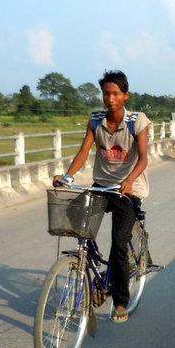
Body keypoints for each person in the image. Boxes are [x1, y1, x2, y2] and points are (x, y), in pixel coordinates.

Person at [53, 70, 150, 323]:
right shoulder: (96, 120)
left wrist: (129, 181)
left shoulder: (136, 121)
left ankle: (120, 301)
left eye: (116, 93)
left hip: (127, 190)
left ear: (125, 95)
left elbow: (143, 157)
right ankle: (88, 264)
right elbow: (84, 151)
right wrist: (68, 176)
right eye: (106, 93)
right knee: (73, 219)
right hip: (101, 186)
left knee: (119, 243)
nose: (110, 98)